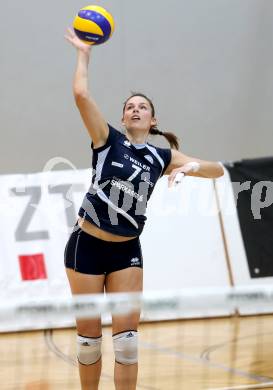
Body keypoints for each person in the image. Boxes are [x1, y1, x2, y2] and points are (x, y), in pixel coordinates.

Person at [64, 27, 224, 390]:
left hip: (126, 251)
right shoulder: (107, 140)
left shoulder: (161, 155)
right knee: (89, 341)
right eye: (130, 107)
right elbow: (80, 93)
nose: (136, 109)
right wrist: (84, 53)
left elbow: (218, 170)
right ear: (123, 119)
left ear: (152, 121)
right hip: (86, 245)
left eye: (143, 107)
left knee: (128, 342)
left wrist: (192, 166)